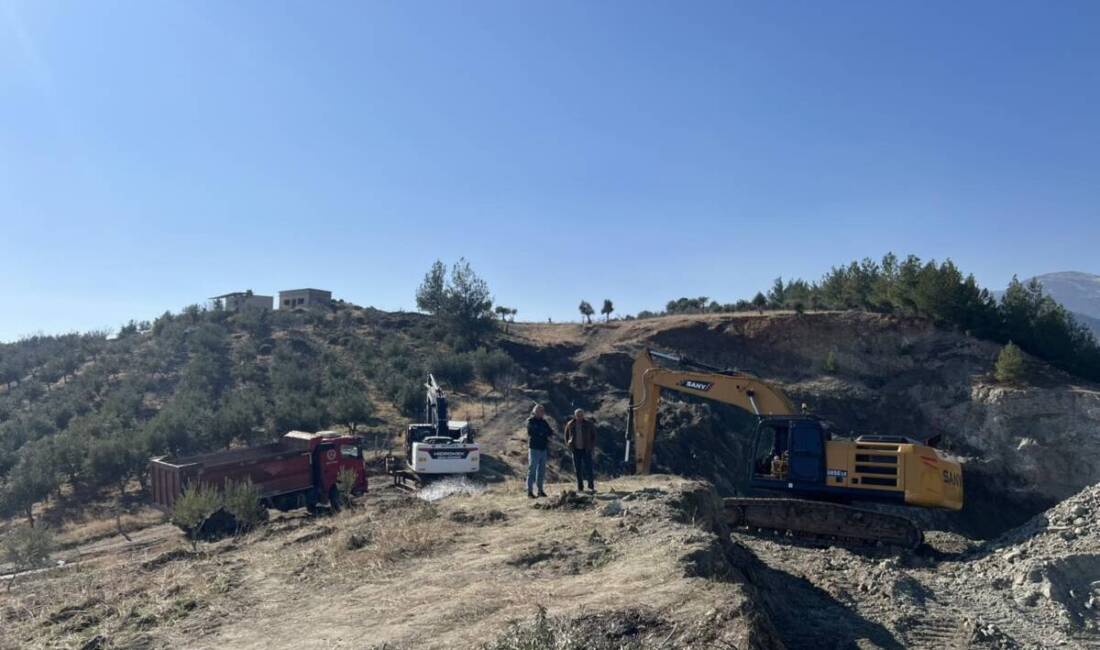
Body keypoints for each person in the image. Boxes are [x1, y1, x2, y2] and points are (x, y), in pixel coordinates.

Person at [564, 408, 597, 493]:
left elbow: (593, 436)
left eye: (581, 415)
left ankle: (591, 487)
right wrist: (569, 445)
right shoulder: (570, 424)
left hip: (586, 449)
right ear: (575, 416)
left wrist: (591, 447)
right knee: (578, 469)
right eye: (578, 415)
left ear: (583, 415)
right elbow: (566, 435)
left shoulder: (589, 424)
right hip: (575, 450)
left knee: (589, 468)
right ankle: (580, 487)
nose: (580, 417)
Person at [526, 403, 553, 498]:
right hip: (534, 449)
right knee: (532, 470)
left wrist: (541, 432)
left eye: (542, 411)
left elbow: (550, 432)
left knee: (541, 471)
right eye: (539, 411)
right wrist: (542, 433)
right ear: (535, 411)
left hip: (543, 448)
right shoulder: (531, 421)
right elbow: (531, 432)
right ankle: (529, 492)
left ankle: (540, 491)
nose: (541, 413)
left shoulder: (544, 422)